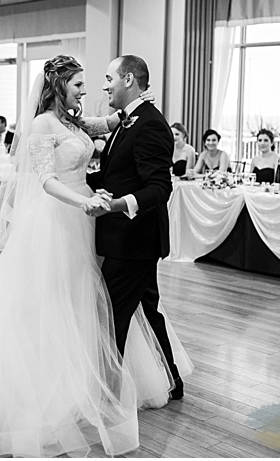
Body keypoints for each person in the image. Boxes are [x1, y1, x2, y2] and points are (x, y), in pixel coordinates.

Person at [0, 55, 191, 458]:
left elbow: (113, 135)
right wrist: (85, 202)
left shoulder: (82, 122)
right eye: (80, 83)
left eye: (98, 80)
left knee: (103, 304)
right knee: (61, 303)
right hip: (60, 219)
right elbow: (47, 180)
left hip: (99, 222)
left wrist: (100, 192)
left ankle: (123, 382)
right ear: (60, 85)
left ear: (129, 81)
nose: (90, 89)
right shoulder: (43, 125)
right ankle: (77, 386)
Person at [86, 54, 187, 402]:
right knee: (147, 309)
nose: (104, 86)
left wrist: (117, 205)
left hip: (133, 241)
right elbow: (118, 175)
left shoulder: (151, 124)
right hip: (131, 240)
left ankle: (108, 394)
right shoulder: (130, 121)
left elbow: (160, 187)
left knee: (111, 317)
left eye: (109, 78)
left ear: (128, 80)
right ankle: (172, 380)